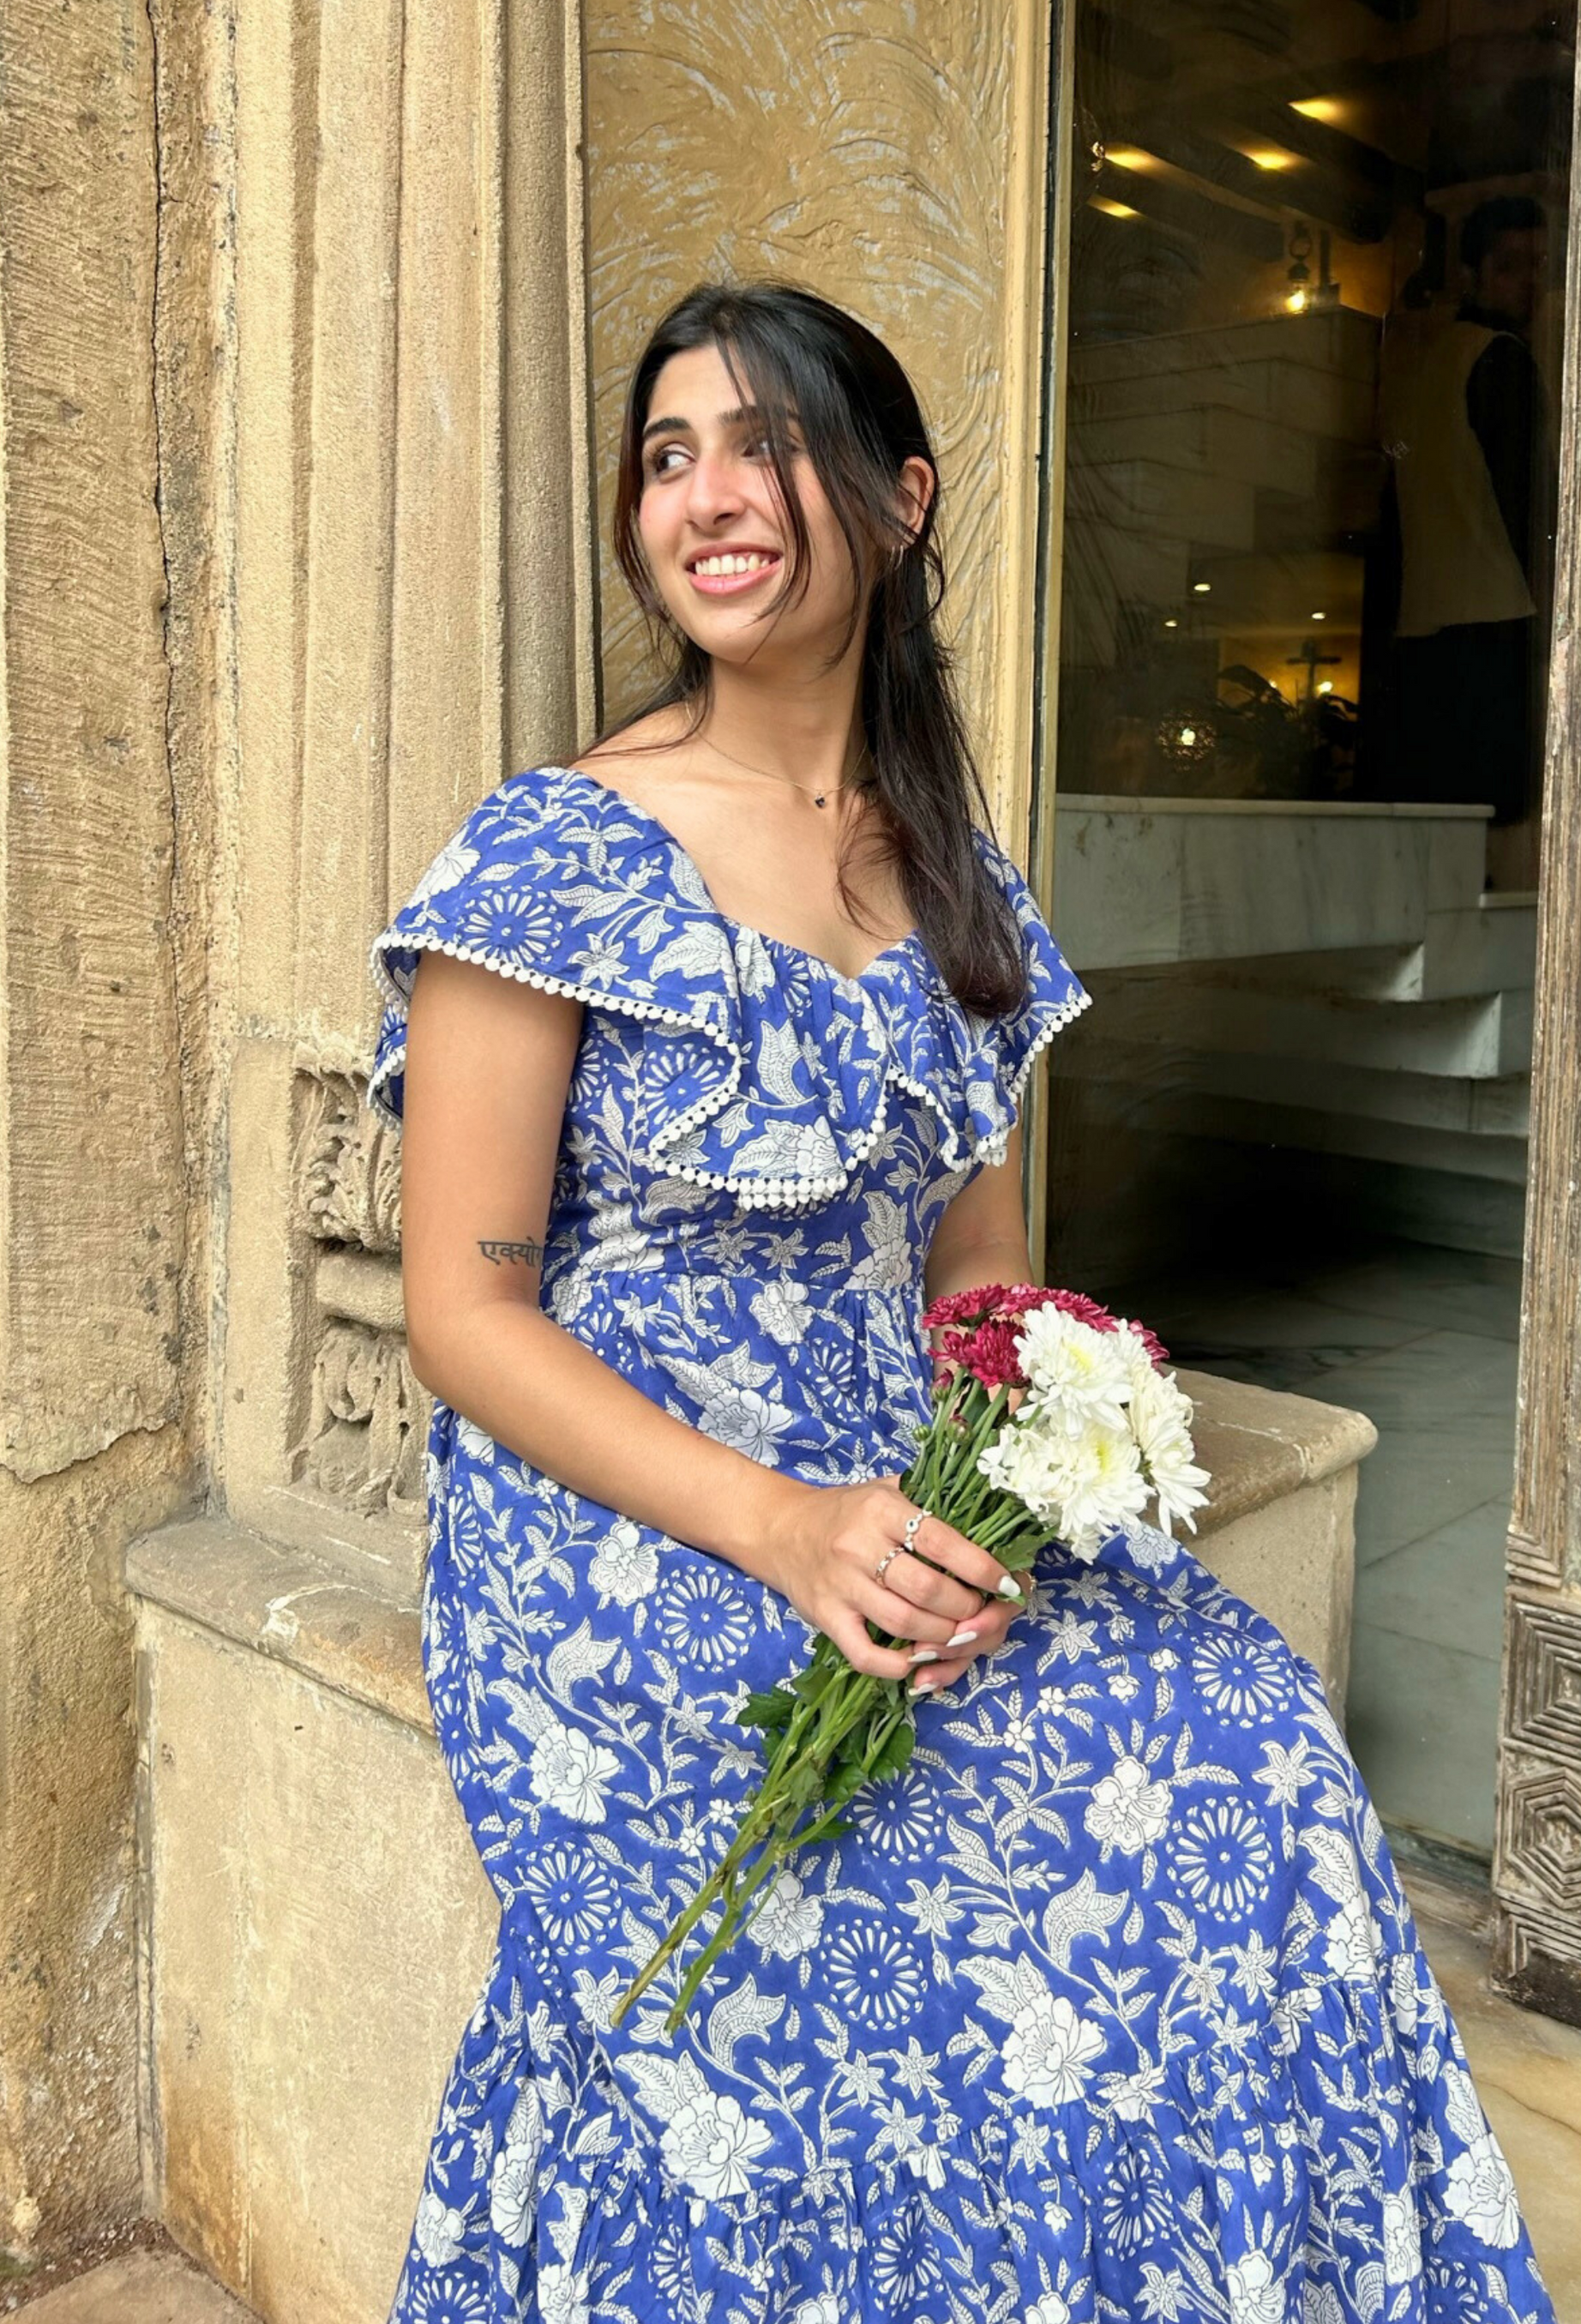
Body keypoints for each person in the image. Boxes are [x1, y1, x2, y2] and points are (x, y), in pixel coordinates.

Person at [365, 280, 1555, 2323]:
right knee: (900, 1922)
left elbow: (975, 1267)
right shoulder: (551, 851)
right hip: (628, 1529)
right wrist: (784, 1526)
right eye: (666, 458)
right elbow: (465, 1319)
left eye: (765, 445)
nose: (708, 497)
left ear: (898, 502)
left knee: (1235, 1738)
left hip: (885, 1497)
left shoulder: (950, 874)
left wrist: (1000, 1486)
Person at [1376, 195, 1554, 889]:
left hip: (1425, 632)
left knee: (1444, 844)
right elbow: (1529, 505)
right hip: (1497, 623)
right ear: (1474, 273)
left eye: (1539, 265)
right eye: (1513, 266)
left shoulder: (1425, 367)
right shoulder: (1501, 360)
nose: (1530, 283)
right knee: (1507, 838)